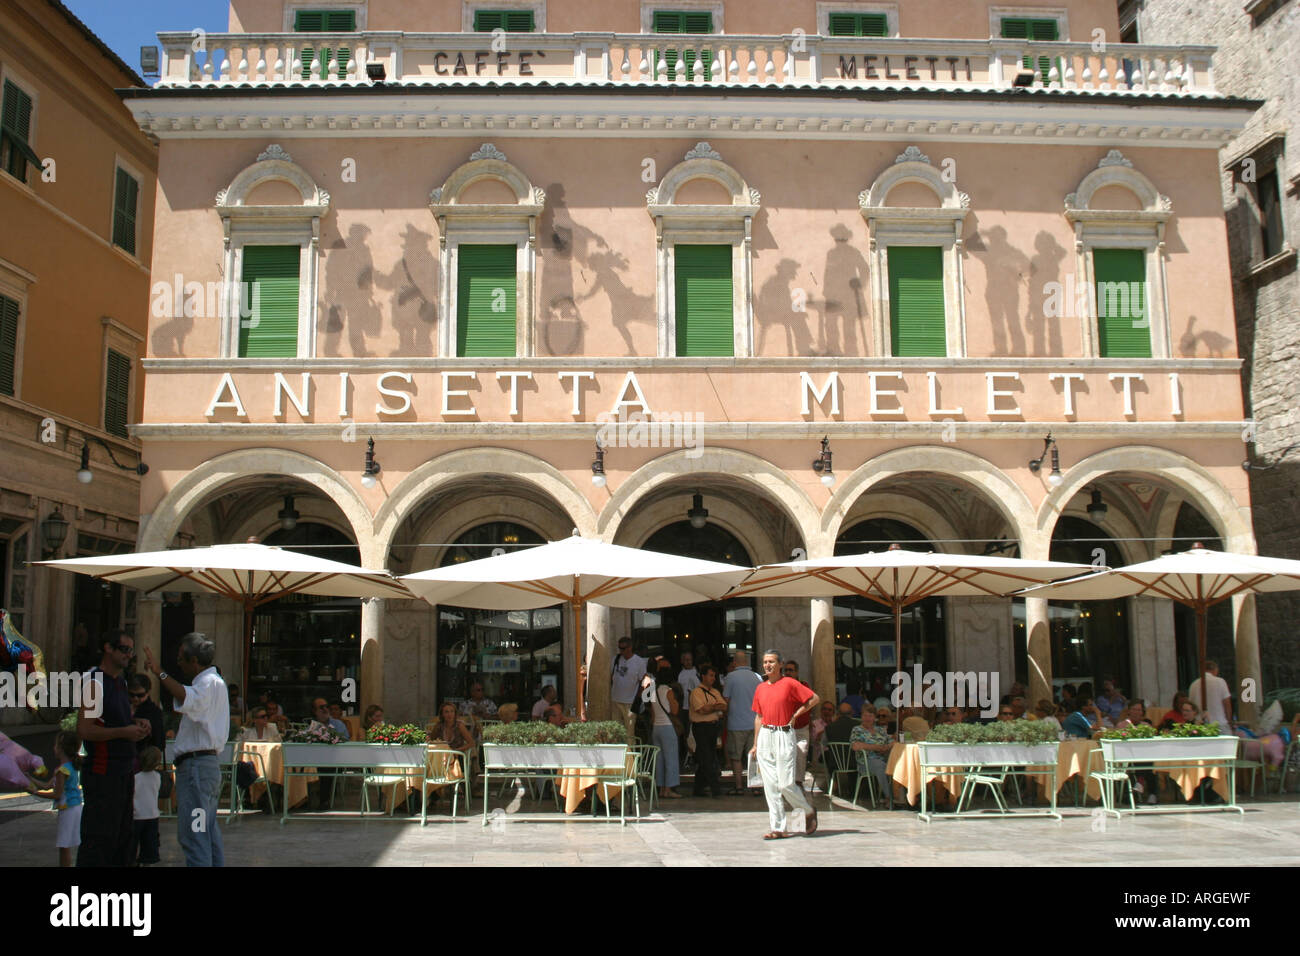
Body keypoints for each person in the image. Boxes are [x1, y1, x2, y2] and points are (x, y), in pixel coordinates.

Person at [143, 632, 229, 867]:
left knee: (195, 834)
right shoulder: (212, 683)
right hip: (202, 769)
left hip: (196, 770)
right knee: (206, 832)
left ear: (194, 661)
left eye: (181, 659)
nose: (178, 663)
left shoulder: (208, 683)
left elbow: (186, 696)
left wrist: (159, 672)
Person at [78, 629, 149, 867]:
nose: (129, 655)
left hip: (123, 770)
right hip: (102, 771)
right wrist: (124, 732)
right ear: (108, 648)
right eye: (124, 649)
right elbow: (85, 730)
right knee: (100, 839)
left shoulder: (121, 682)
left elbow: (115, 721)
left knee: (122, 838)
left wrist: (135, 724)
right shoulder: (94, 682)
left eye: (131, 650)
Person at [749, 650, 819, 839]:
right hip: (765, 734)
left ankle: (807, 810)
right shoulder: (761, 688)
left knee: (786, 783)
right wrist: (755, 744)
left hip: (784, 734)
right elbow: (758, 716)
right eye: (765, 662)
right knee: (770, 785)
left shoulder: (789, 683)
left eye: (771, 662)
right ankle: (777, 827)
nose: (767, 665)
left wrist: (796, 714)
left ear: (780, 664)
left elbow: (814, 699)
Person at [35, 730, 82, 867]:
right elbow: (46, 785)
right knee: (65, 844)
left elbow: (56, 794)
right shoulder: (67, 767)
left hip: (68, 808)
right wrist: (28, 780)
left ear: (61, 748)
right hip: (74, 807)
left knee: (64, 845)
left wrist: (35, 793)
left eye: (55, 745)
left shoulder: (62, 771)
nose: (53, 748)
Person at [722, 651, 762, 794]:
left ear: (735, 662)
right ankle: (756, 787)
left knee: (736, 757)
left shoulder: (730, 677)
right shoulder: (757, 677)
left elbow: (725, 699)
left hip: (736, 723)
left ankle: (739, 787)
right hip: (754, 723)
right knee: (753, 757)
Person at [642, 658, 682, 800]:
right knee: (670, 758)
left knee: (659, 760)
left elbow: (652, 711)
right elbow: (675, 710)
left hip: (656, 728)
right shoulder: (668, 691)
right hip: (667, 727)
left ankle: (660, 788)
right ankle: (668, 788)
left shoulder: (653, 690)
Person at [689, 664, 726, 797]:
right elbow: (701, 710)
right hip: (701, 728)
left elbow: (724, 705)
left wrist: (711, 707)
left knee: (706, 757)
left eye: (714, 676)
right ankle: (715, 789)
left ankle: (698, 789)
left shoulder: (715, 691)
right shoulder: (696, 692)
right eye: (710, 675)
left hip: (713, 727)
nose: (713, 678)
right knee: (708, 758)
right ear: (703, 676)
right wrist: (715, 707)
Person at [782, 659, 815, 785]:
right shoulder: (781, 686)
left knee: (801, 754)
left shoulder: (803, 685)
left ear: (796, 672)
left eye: (791, 670)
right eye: (786, 670)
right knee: (787, 755)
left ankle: (798, 781)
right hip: (786, 727)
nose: (788, 672)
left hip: (802, 727)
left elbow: (810, 702)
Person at [849, 706, 892, 800]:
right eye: (865, 715)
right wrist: (877, 747)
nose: (867, 718)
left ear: (874, 718)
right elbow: (855, 746)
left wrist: (886, 747)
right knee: (881, 766)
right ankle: (889, 797)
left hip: (882, 758)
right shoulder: (857, 730)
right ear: (861, 716)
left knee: (896, 764)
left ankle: (901, 797)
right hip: (865, 761)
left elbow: (892, 741)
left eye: (870, 715)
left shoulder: (880, 730)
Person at [609, 638, 647, 739]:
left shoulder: (639, 662)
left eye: (623, 648)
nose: (621, 651)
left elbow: (644, 682)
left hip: (630, 702)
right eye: (619, 648)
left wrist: (638, 700)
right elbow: (610, 677)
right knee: (615, 732)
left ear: (630, 648)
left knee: (629, 733)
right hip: (615, 701)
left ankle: (629, 755)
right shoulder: (615, 659)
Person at [133, 746, 162, 865]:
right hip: (152, 814)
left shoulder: (135, 778)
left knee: (133, 843)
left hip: (136, 815)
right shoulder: (157, 777)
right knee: (150, 845)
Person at [1188, 661, 1233, 731]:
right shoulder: (1220, 682)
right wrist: (1229, 721)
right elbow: (1227, 703)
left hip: (1200, 724)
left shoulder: (1193, 685)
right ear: (1215, 670)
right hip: (1219, 723)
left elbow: (1190, 706)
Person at [128, 674, 166, 754]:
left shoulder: (154, 712)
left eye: (140, 695)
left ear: (148, 692)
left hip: (142, 756)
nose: (135, 698)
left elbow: (159, 742)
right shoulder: (123, 706)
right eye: (132, 695)